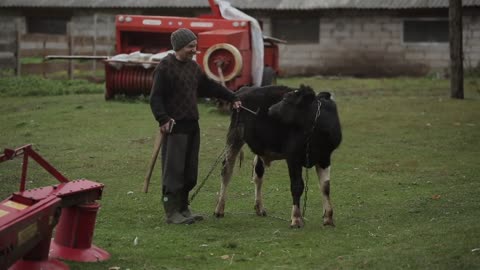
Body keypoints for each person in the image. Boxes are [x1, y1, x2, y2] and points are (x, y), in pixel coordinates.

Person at [150, 28, 242, 224]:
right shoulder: (165, 67)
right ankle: (171, 212)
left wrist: (232, 97)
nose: (194, 50)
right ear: (179, 47)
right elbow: (155, 97)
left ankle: (183, 209)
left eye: (195, 46)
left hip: (192, 125)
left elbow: (209, 86)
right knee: (174, 172)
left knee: (190, 172)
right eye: (191, 46)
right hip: (175, 126)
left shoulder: (193, 68)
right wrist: (163, 119)